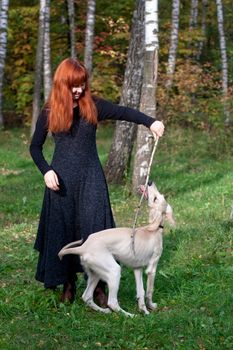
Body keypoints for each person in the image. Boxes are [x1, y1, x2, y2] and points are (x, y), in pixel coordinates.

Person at [30, 58, 164, 304]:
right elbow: (35, 148)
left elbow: (125, 112)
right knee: (64, 230)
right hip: (60, 181)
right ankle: (68, 283)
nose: (79, 89)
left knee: (96, 229)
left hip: (91, 177)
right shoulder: (50, 111)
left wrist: (151, 122)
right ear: (62, 83)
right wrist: (46, 171)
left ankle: (100, 286)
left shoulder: (93, 106)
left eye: (82, 84)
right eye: (73, 85)